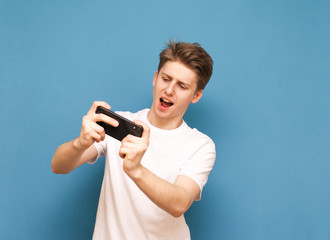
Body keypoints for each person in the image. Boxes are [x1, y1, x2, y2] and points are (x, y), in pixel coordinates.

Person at [51, 40, 216, 240]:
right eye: (166, 79)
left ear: (196, 95)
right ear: (155, 78)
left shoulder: (200, 145)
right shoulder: (116, 124)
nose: (169, 90)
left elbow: (179, 203)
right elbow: (58, 166)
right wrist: (80, 143)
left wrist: (136, 170)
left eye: (182, 86)